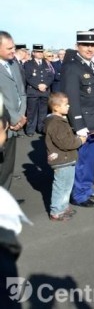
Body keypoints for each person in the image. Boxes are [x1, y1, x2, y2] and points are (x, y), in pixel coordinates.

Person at [61, 30, 94, 208]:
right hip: (84, 125)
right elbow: (71, 98)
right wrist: (79, 125)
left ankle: (86, 189)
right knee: (82, 161)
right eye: (85, 45)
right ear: (77, 46)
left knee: (90, 159)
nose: (89, 48)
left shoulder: (92, 65)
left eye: (93, 45)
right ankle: (79, 194)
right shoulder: (72, 67)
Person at [44, 92, 87, 220]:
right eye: (65, 104)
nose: (68, 106)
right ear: (56, 107)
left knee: (67, 186)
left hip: (67, 159)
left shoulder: (60, 120)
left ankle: (63, 207)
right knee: (60, 186)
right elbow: (64, 143)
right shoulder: (56, 123)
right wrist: (79, 141)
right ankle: (56, 212)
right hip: (61, 160)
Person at [0, 31, 27, 190]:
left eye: (14, 47)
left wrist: (21, 116)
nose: (13, 50)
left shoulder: (14, 64)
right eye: (9, 48)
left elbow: (21, 91)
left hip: (16, 121)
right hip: (4, 124)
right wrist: (12, 119)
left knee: (8, 167)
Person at [24, 44, 54, 136]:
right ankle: (30, 130)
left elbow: (51, 76)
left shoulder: (47, 63)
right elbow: (27, 77)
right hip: (33, 92)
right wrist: (38, 85)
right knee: (31, 111)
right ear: (33, 53)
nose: (40, 53)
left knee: (43, 111)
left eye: (41, 52)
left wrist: (46, 85)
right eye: (38, 52)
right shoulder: (28, 64)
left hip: (45, 91)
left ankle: (41, 128)